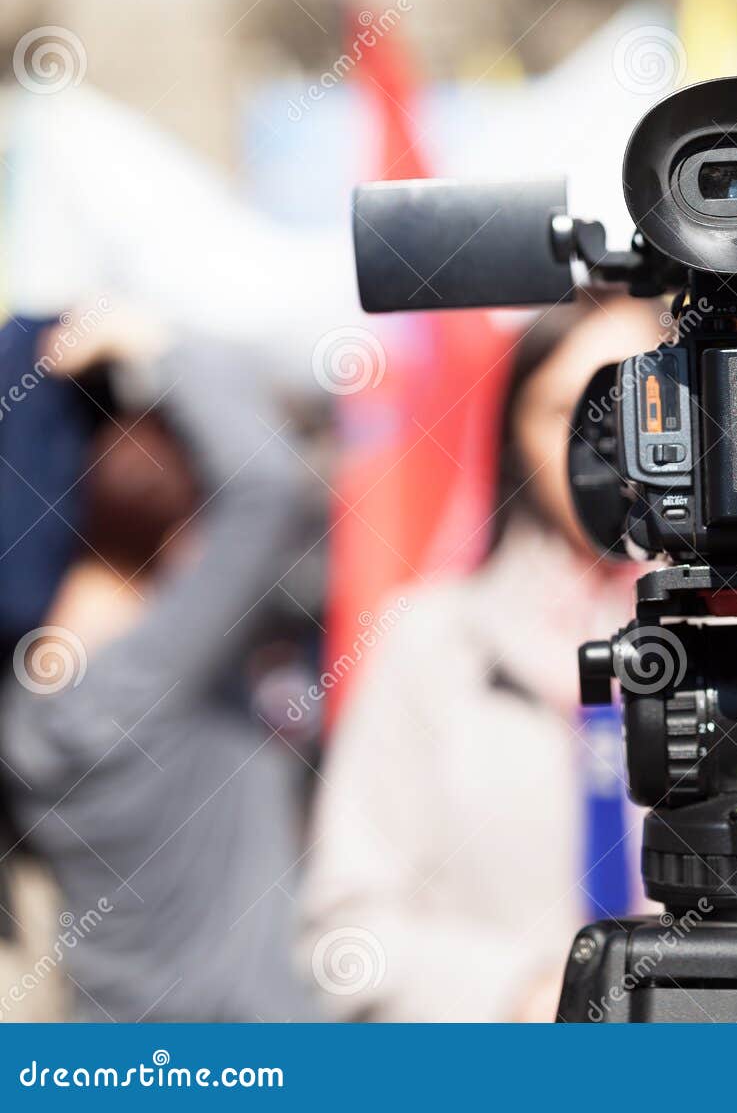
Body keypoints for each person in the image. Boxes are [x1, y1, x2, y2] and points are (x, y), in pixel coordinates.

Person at [299, 301, 658, 1021]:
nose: (609, 445)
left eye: (642, 405)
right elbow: (345, 936)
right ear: (513, 435)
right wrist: (526, 998)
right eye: (569, 411)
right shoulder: (432, 642)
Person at [0, 309, 318, 1021]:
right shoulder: (149, 672)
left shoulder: (26, 703)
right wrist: (161, 343)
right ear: (180, 532)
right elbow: (266, 487)